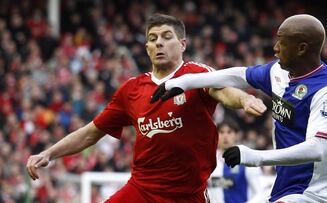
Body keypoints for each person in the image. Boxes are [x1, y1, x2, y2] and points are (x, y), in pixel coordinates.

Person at [26, 14, 267, 203]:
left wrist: (244, 100)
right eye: (152, 39)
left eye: (166, 36)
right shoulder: (131, 90)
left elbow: (223, 91)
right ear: (147, 48)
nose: (159, 42)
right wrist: (49, 153)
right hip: (142, 190)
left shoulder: (196, 74)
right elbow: (91, 132)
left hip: (188, 195)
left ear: (182, 44)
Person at [151, 14, 327, 203]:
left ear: (302, 48)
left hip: (314, 193)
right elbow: (240, 76)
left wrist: (256, 156)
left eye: (282, 43)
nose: (275, 48)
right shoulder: (279, 72)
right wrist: (184, 82)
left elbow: (319, 148)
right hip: (285, 187)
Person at [208, 121, 265, 203]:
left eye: (229, 132)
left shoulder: (247, 159)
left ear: (237, 135)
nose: (225, 136)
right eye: (221, 132)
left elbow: (260, 193)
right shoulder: (209, 161)